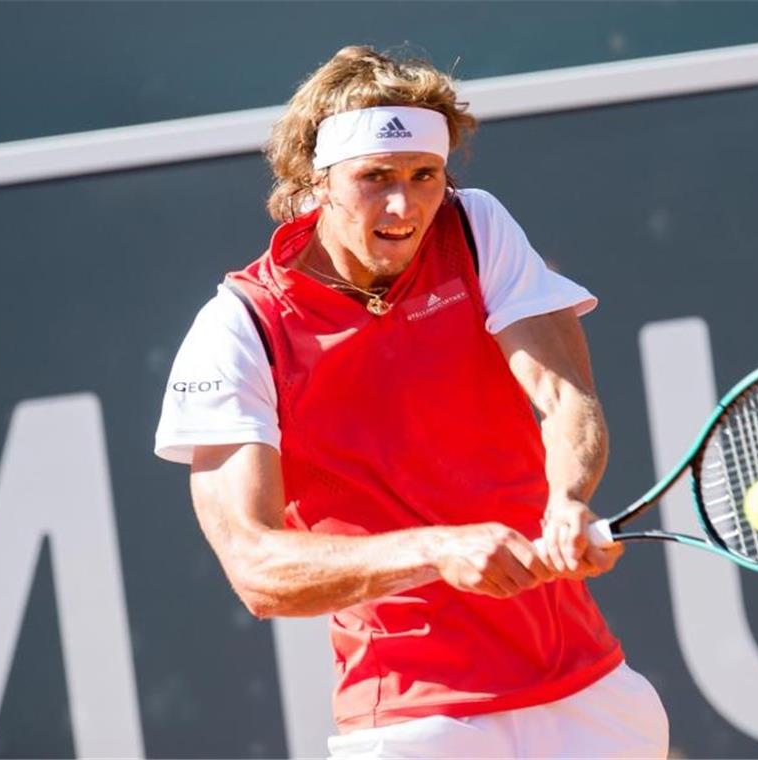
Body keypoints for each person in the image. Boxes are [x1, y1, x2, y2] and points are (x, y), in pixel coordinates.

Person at [155, 45, 668, 758]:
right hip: (416, 723)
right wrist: (437, 548)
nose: (405, 206)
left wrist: (568, 500)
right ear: (316, 182)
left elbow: (566, 398)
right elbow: (256, 569)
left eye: (425, 175)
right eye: (375, 178)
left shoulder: (476, 228)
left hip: (592, 695)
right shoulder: (239, 329)